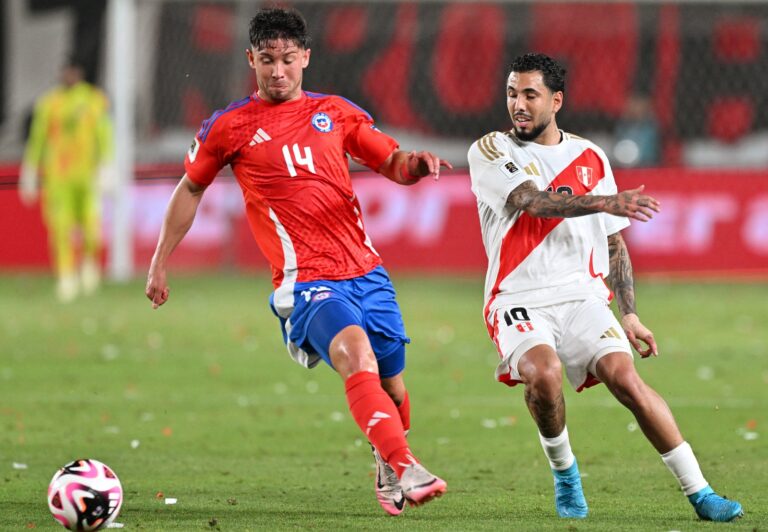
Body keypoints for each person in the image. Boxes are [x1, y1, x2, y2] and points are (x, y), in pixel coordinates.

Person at [145, 7, 449, 515]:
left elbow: (391, 161)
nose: (278, 71)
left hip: (367, 273)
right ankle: (406, 466)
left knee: (393, 386)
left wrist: (415, 165)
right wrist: (160, 261)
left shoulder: (336, 112)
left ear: (306, 57)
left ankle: (385, 455)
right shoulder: (230, 126)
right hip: (304, 281)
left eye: (287, 59)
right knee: (358, 357)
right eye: (267, 60)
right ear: (251, 60)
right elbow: (190, 189)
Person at [467, 53, 743, 522]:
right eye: (512, 93)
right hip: (518, 298)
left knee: (626, 378)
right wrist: (610, 200)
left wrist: (630, 313)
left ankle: (701, 492)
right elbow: (531, 202)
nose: (518, 104)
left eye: (530, 94)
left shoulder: (590, 156)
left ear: (556, 101)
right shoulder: (491, 149)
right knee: (544, 374)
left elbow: (613, 241)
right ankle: (566, 474)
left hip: (583, 298)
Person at [20, 57, 114, 302]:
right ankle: (66, 276)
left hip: (87, 175)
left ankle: (89, 263)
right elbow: (38, 138)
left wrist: (107, 165)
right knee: (60, 228)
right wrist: (30, 169)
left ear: (79, 73)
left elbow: (104, 135)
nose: (69, 76)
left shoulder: (93, 100)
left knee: (92, 229)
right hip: (58, 177)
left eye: (73, 71)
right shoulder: (49, 104)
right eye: (66, 72)